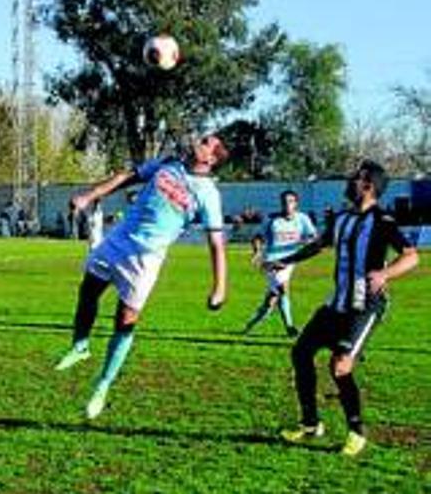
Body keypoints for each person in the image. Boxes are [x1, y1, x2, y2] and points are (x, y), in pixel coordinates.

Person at [54, 135, 230, 420]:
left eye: (206, 141)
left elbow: (216, 242)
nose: (198, 140)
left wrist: (219, 287)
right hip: (119, 239)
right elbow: (127, 177)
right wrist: (89, 195)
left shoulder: (209, 193)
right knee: (88, 288)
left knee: (124, 321)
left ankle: (102, 386)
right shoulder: (169, 163)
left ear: (211, 159)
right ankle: (81, 345)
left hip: (146, 257)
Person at [276, 161, 419, 456]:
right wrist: (287, 260)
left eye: (355, 178)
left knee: (340, 365)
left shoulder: (382, 220)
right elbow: (318, 245)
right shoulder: (342, 218)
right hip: (336, 303)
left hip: (365, 305)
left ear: (367, 186)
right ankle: (310, 424)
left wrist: (384, 274)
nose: (349, 181)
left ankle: (356, 432)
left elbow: (411, 256)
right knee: (300, 352)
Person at [243, 190, 317, 337]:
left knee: (270, 302)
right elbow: (257, 237)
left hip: (290, 262)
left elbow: (313, 236)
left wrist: (308, 241)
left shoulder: (303, 219)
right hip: (272, 262)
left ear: (296, 203)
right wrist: (257, 252)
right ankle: (290, 328)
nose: (286, 204)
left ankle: (250, 326)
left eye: (290, 201)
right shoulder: (272, 220)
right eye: (284, 201)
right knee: (283, 289)